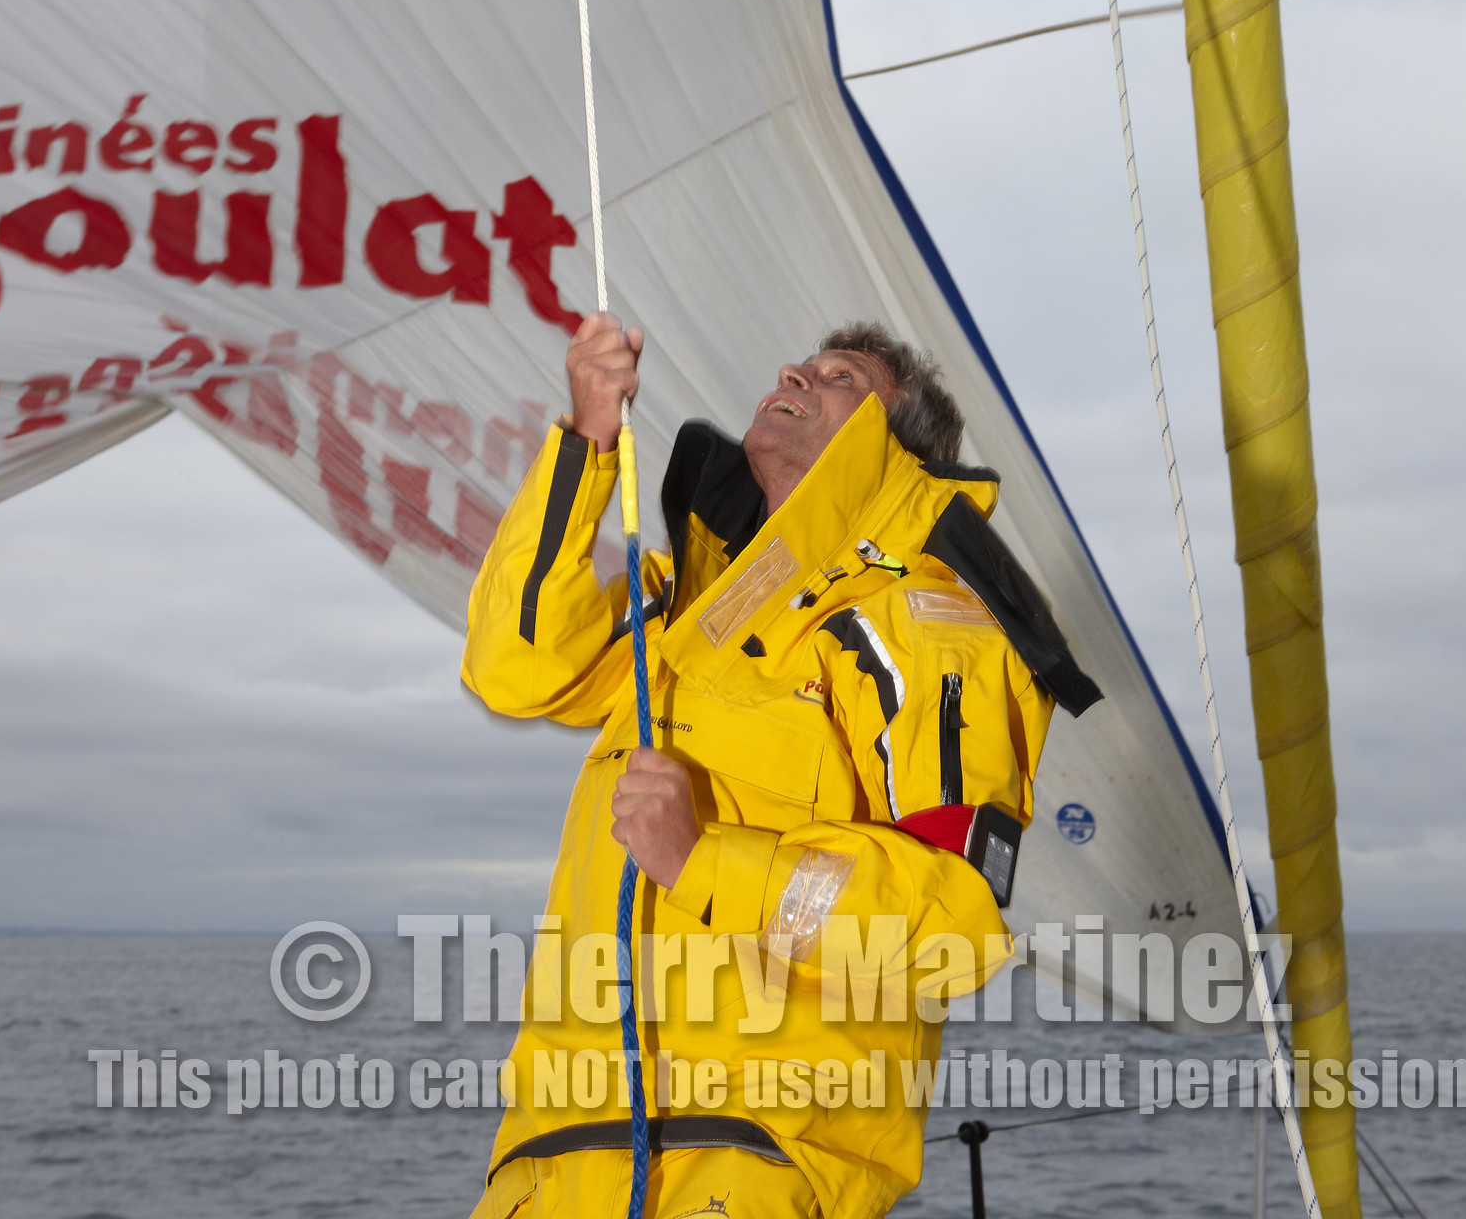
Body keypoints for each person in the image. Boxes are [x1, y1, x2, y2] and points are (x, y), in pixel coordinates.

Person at [463, 312, 1100, 1219]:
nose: (794, 374)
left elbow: (949, 924)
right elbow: (513, 666)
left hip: (749, 1169)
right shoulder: (680, 605)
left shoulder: (927, 623)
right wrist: (588, 440)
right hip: (548, 1165)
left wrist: (704, 861)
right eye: (801, 362)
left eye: (839, 377)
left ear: (896, 450)